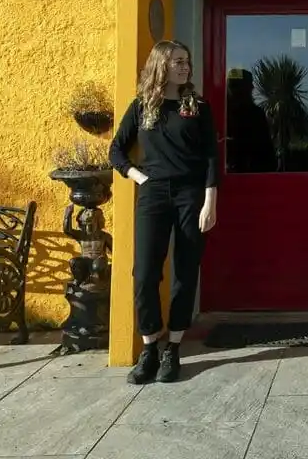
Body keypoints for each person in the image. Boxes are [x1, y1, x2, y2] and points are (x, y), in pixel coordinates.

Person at [109, 40, 218, 384]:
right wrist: (139, 176)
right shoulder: (142, 106)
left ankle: (173, 348)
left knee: (185, 272)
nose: (185, 67)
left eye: (187, 61)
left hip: (191, 194)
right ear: (161, 66)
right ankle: (149, 347)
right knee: (144, 273)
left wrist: (210, 202)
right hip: (153, 195)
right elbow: (116, 151)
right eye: (178, 62)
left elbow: (211, 157)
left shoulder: (197, 106)